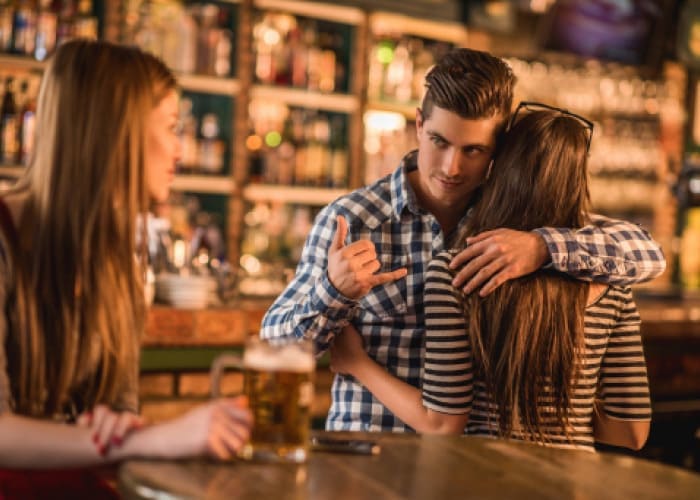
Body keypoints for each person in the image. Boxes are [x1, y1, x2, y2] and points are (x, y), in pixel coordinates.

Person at [260, 48, 664, 432]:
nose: (452, 167)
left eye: (473, 150)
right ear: (419, 125)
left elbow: (648, 254)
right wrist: (333, 293)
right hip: (371, 451)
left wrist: (541, 248)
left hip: (467, 467)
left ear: (498, 150)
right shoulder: (352, 220)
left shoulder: (515, 220)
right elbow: (274, 350)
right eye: (439, 141)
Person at [329, 105, 651, 451]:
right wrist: (561, 414)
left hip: (484, 477)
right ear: (578, 181)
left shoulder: (457, 272)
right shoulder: (612, 285)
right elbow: (632, 432)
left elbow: (441, 424)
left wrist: (357, 363)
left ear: (497, 169)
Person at [0, 39, 252, 477]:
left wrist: (119, 429)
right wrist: (159, 437)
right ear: (118, 131)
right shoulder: (4, 238)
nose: (180, 151)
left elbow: (117, 417)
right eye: (172, 127)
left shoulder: (121, 262)